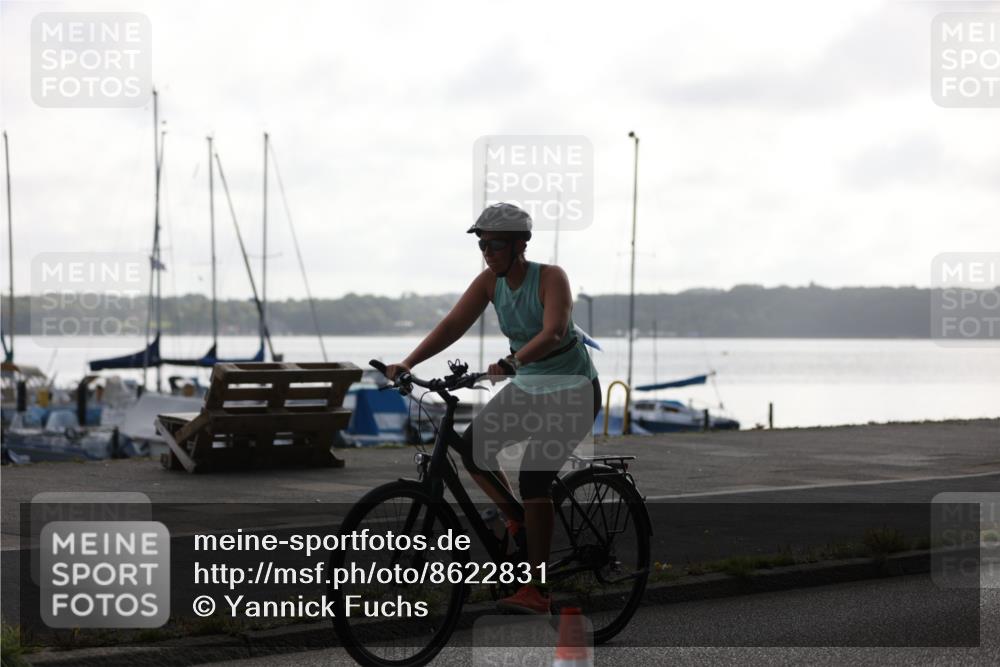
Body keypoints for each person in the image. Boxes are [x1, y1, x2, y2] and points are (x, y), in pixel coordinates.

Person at [385, 202, 601, 615]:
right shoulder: (489, 282)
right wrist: (409, 363)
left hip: (572, 391)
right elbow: (452, 325)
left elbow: (554, 331)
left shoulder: (551, 278)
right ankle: (517, 521)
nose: (487, 251)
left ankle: (538, 592)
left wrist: (511, 363)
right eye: (482, 244)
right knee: (473, 449)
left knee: (535, 478)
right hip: (529, 387)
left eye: (495, 244)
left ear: (521, 244)